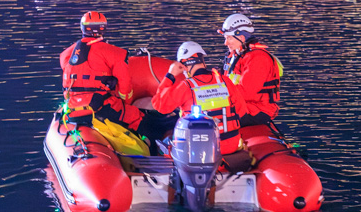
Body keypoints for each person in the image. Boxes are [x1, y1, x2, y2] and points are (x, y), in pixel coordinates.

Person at [60, 11, 171, 142]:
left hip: (73, 107)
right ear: (104, 28)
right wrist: (125, 103)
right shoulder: (115, 53)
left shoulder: (67, 54)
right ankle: (155, 146)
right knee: (138, 118)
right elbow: (125, 85)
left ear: (82, 28)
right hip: (102, 107)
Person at [151, 42, 247, 156]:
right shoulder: (225, 81)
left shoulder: (186, 86)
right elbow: (242, 111)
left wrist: (170, 75)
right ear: (203, 61)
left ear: (184, 65)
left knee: (163, 142)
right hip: (230, 145)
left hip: (199, 150)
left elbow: (160, 106)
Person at [218, 13, 283, 126]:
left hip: (257, 110)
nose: (226, 43)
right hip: (244, 106)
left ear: (241, 37)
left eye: (229, 38)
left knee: (213, 116)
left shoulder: (258, 58)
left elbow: (246, 93)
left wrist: (216, 96)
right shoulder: (237, 56)